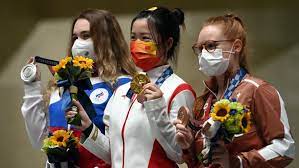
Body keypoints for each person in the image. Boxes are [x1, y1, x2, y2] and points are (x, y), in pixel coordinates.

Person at [66, 7, 196, 168]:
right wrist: (87, 127)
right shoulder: (122, 89)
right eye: (133, 37)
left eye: (145, 38)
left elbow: (178, 154)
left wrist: (156, 107)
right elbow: (112, 154)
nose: (137, 44)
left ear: (168, 43)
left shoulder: (179, 90)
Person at [174, 13, 295, 167]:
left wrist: (238, 162)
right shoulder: (204, 100)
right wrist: (188, 146)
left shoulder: (258, 90)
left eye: (211, 46)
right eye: (199, 48)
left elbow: (285, 148)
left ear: (236, 46)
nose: (203, 53)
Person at [21, 9, 136, 168]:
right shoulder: (62, 86)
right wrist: (31, 87)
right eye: (75, 37)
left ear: (107, 40)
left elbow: (126, 153)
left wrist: (88, 128)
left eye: (86, 36)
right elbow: (39, 140)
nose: (77, 43)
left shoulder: (122, 86)